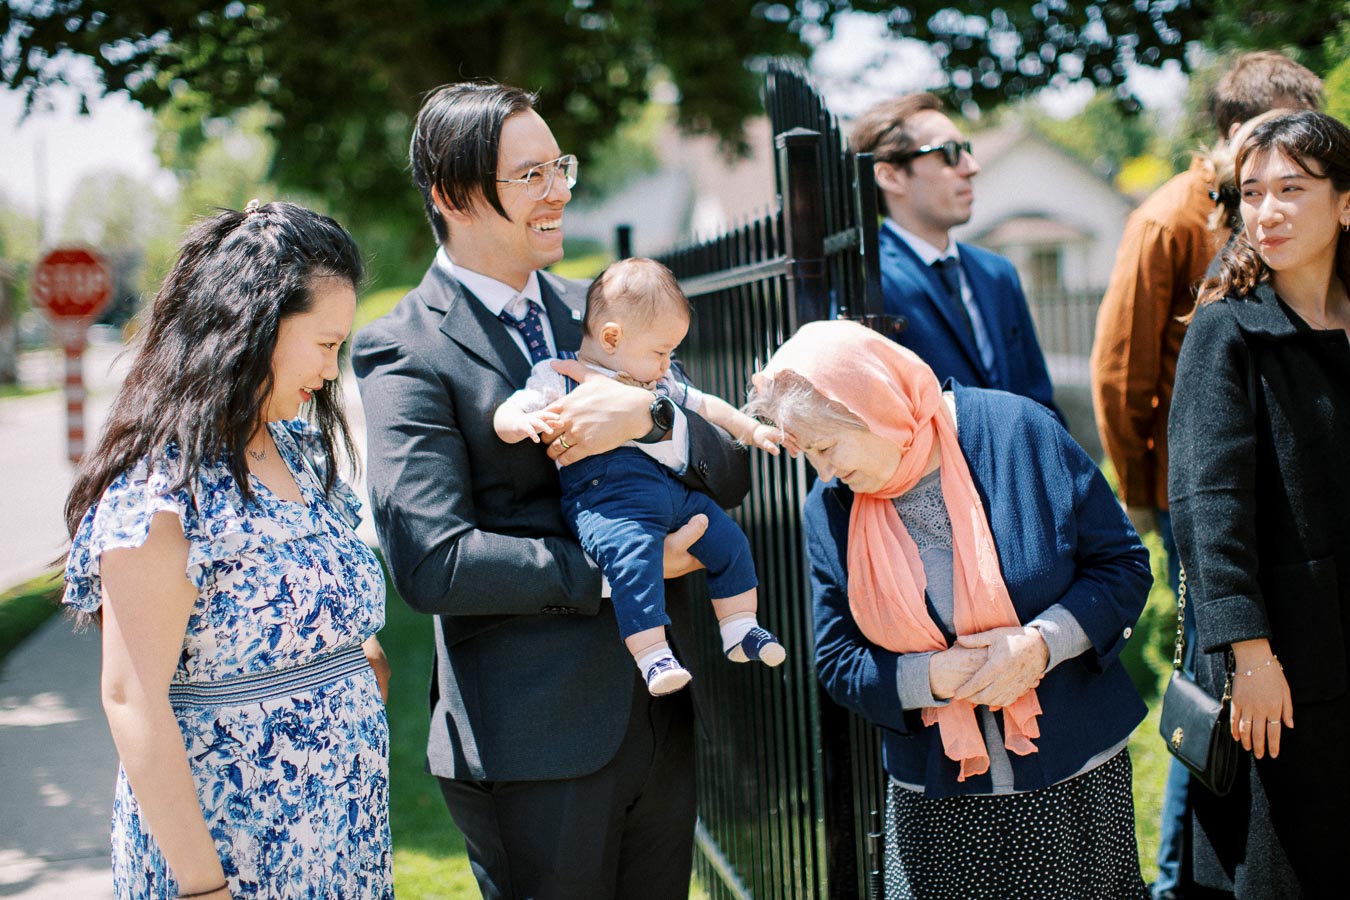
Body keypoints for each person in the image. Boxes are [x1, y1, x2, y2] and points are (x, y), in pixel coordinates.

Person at [352, 82, 750, 898]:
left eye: (558, 166)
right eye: (530, 175)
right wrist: (626, 567)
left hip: (658, 725)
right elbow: (435, 563)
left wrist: (650, 417)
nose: (560, 190)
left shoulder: (603, 310)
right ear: (453, 195)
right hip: (529, 745)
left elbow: (732, 471)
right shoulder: (404, 348)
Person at [746, 319, 1152, 899]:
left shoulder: (1020, 431)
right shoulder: (831, 506)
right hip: (936, 804)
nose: (825, 472)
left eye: (826, 447)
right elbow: (837, 661)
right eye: (810, 454)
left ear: (873, 406)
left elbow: (1123, 567)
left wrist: (1040, 644)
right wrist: (930, 677)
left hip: (1073, 783)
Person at [61, 201, 391, 899]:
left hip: (341, 830)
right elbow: (130, 697)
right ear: (254, 330)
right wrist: (204, 888)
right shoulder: (161, 494)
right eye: (326, 344)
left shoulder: (298, 450)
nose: (333, 371)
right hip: (234, 853)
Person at [1089, 50, 1321, 900]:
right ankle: (1183, 878)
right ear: (1233, 136)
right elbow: (1121, 375)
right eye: (1268, 146)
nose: (1276, 182)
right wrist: (1149, 499)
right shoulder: (1167, 220)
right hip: (1210, 493)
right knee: (1216, 692)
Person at [1168, 109, 1350, 899]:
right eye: (1251, 192)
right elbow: (1207, 511)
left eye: (1292, 189)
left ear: (1345, 203)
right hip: (1285, 666)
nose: (1267, 210)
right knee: (1287, 874)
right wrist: (1249, 654)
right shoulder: (1228, 330)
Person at [494, 256, 783, 696]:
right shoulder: (561, 375)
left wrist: (752, 428)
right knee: (632, 560)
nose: (668, 365)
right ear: (612, 337)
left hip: (670, 491)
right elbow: (518, 403)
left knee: (728, 539)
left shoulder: (655, 384)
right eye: (661, 352)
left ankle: (741, 627)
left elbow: (707, 406)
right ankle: (653, 656)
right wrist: (514, 423)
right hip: (605, 499)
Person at [849, 92, 1062, 421]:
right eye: (949, 153)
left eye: (967, 151)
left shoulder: (998, 273)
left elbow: (1040, 401)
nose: (971, 167)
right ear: (891, 176)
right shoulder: (865, 281)